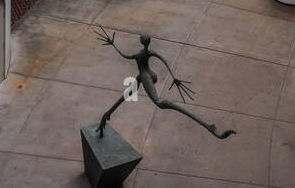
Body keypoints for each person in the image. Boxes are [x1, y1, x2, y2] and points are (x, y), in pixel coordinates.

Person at [94, 27, 236, 139]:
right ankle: (107, 113)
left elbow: (124, 55)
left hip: (146, 76)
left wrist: (113, 45)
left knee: (160, 102)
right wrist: (173, 77)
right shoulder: (149, 51)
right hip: (151, 75)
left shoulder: (138, 54)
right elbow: (163, 60)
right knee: (130, 91)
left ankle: (208, 126)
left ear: (141, 42)